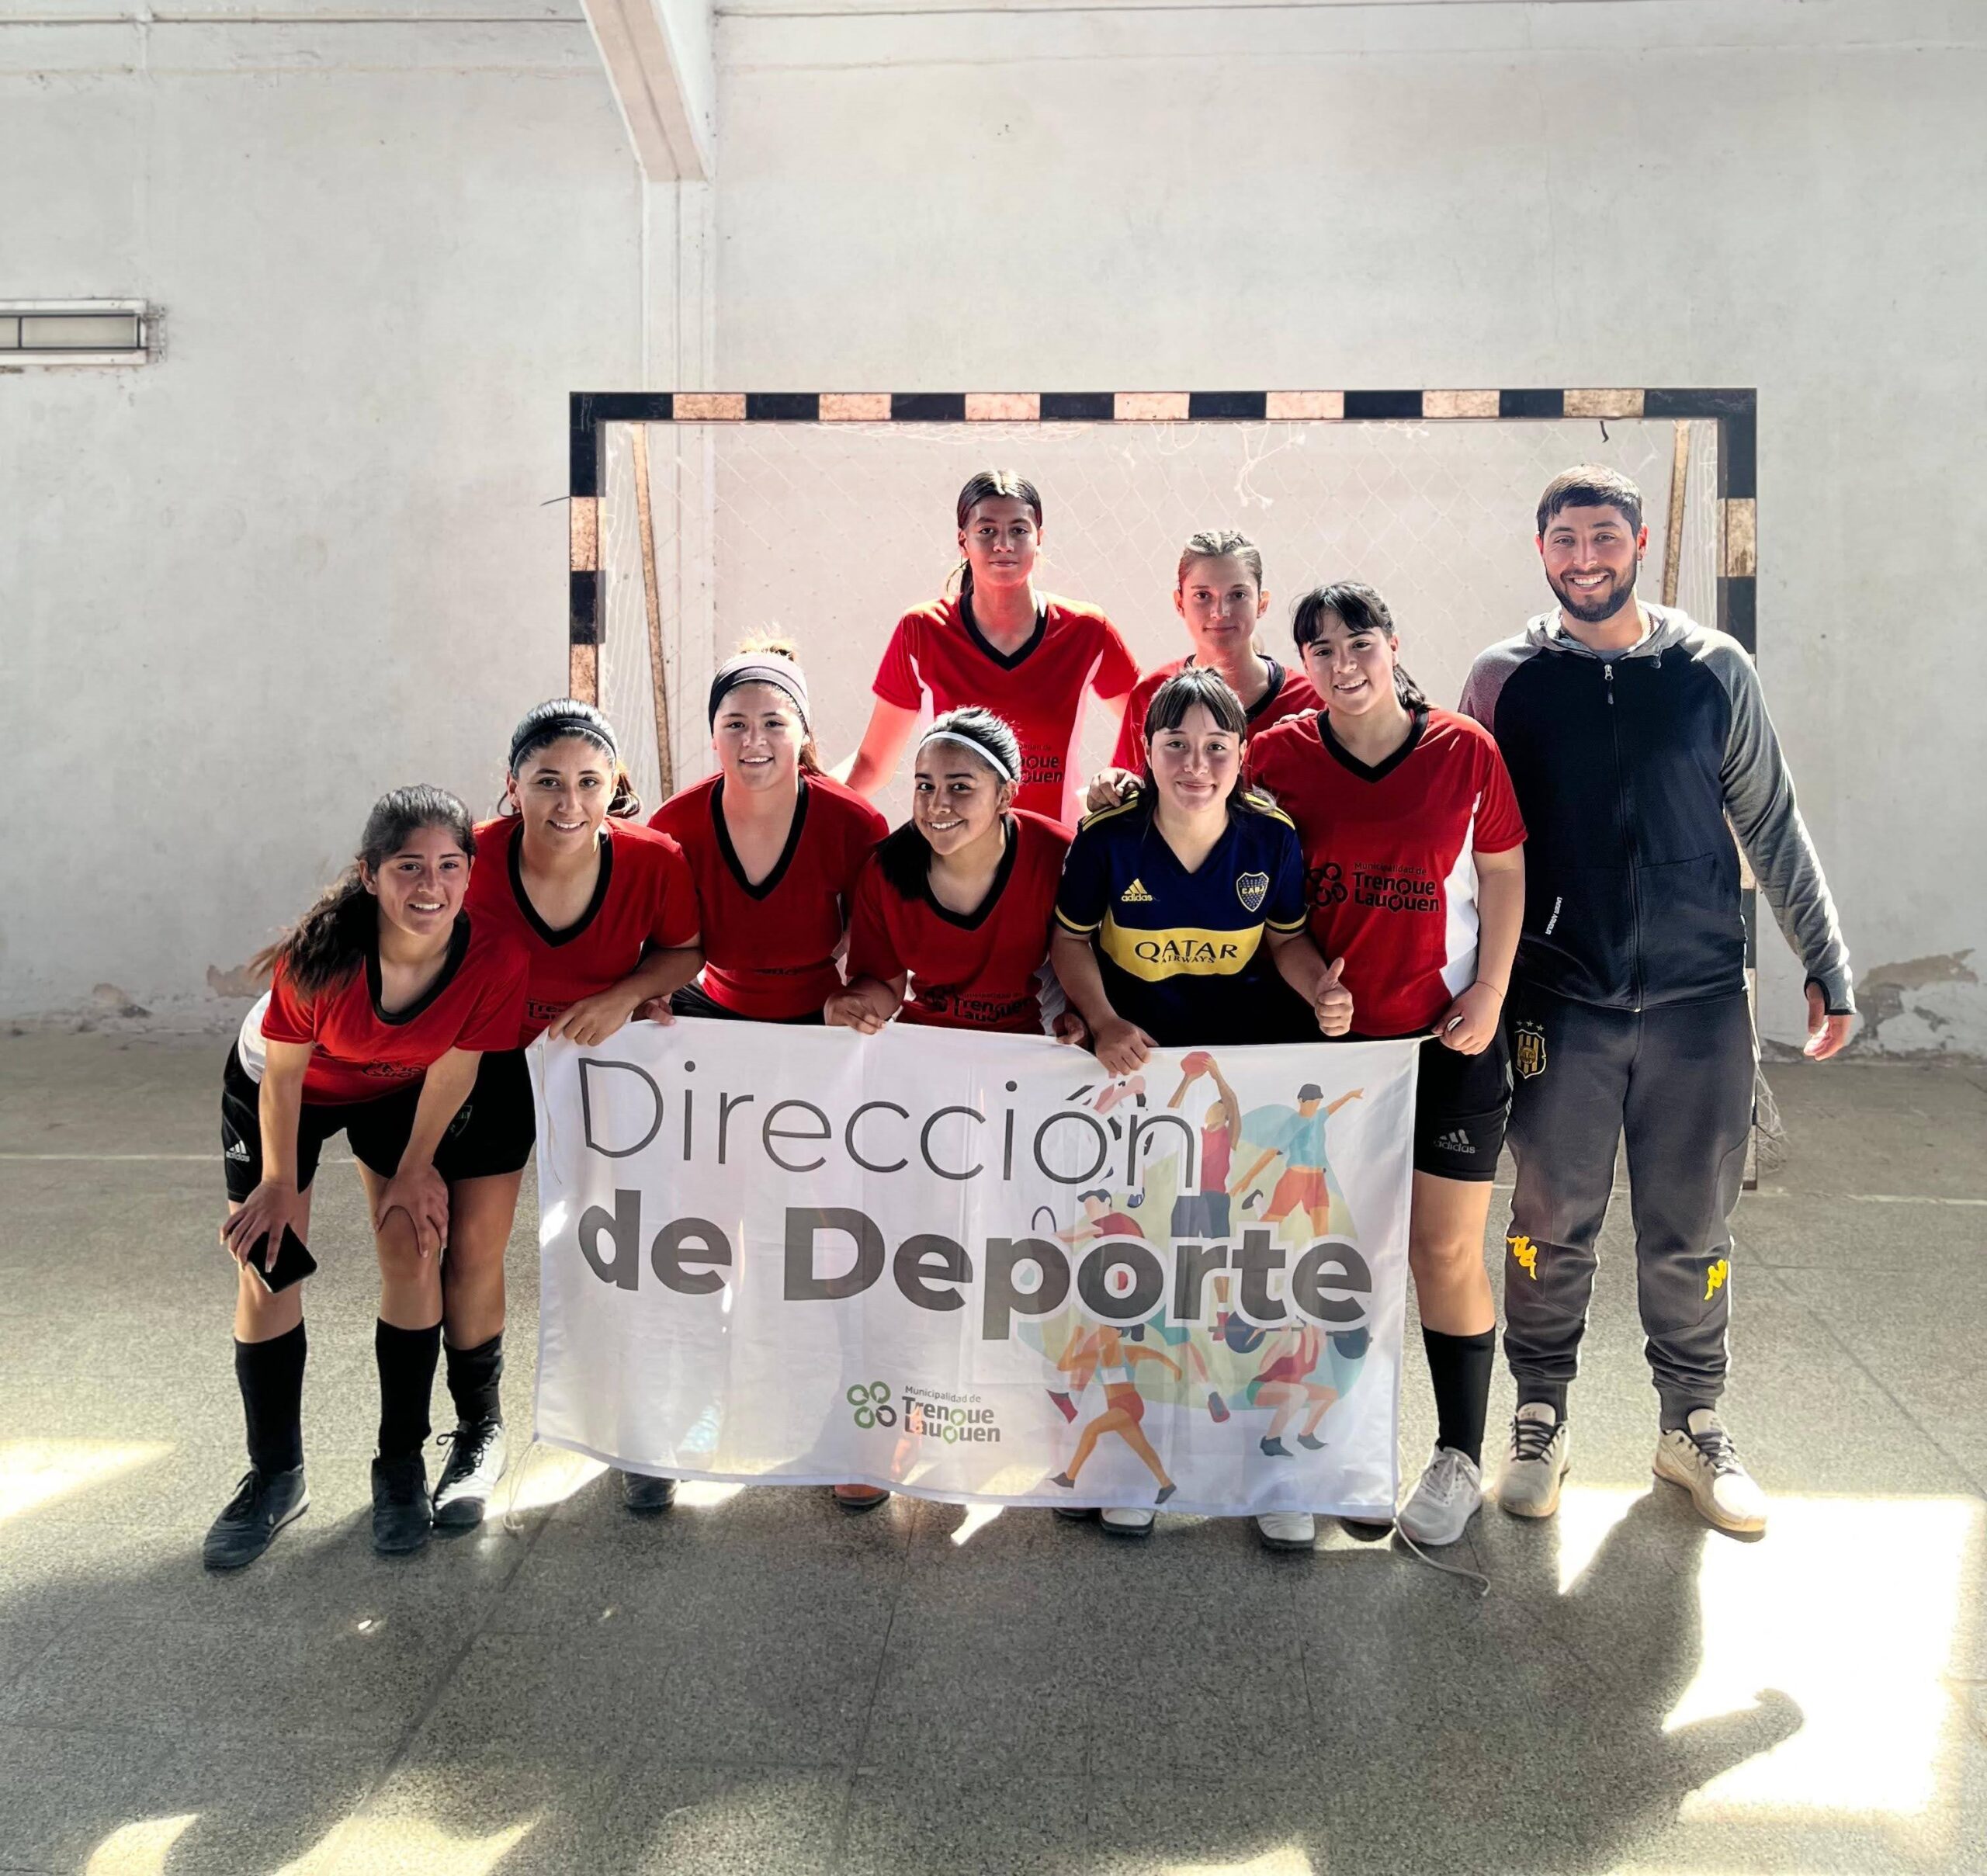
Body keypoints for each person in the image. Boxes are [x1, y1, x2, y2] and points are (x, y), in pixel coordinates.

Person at [1460, 465, 1854, 1536]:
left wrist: (1826, 959)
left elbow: (1772, 823)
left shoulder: (1710, 669)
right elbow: (1468, 844)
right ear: (1540, 550)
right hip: (1559, 1000)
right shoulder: (1504, 679)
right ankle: (1538, 1416)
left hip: (1695, 1002)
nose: (1585, 558)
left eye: (1604, 537)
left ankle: (1694, 1426)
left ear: (1638, 542)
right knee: (1549, 1222)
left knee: (1693, 1228)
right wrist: (1463, 989)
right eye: (1564, 541)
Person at [1050, 665, 1354, 1548]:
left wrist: (1321, 992)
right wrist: (1105, 1019)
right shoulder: (1108, 838)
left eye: (1216, 746)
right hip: (1138, 1089)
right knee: (1141, 1275)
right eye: (1175, 744)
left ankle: (1271, 1469)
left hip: (1240, 1094)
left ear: (1242, 754)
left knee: (1245, 1278)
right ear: (1144, 753)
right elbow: (1069, 941)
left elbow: (1290, 942)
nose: (1195, 762)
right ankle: (1131, 1470)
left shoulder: (1269, 839)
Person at [1250, 580, 1526, 1549]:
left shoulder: (1464, 750)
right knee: (1313, 1257)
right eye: (1318, 649)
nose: (1340, 663)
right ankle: (1306, 1446)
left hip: (1440, 1042)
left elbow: (1501, 872)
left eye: (1356, 642)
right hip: (1321, 1055)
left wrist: (1488, 992)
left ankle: (1456, 1452)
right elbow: (1258, 894)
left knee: (1441, 1250)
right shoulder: (1275, 756)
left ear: (1392, 643)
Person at [206, 788, 529, 1569]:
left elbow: (455, 1066)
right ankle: (276, 1475)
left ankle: (398, 1465)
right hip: (282, 1089)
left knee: (412, 1243)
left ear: (470, 873)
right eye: (408, 866)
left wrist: (415, 1170)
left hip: (396, 1086)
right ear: (370, 874)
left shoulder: (493, 957)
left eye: (450, 865)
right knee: (268, 1265)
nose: (430, 884)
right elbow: (283, 1079)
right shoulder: (322, 961)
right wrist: (279, 1183)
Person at [650, 641, 889, 1511]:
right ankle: (679, 1413)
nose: (754, 739)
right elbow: (656, 947)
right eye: (735, 724)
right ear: (712, 736)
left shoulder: (851, 823)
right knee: (700, 1236)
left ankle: (857, 1422)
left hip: (818, 1040)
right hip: (714, 1038)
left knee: (833, 1240)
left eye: (772, 722)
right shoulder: (675, 825)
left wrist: (866, 993)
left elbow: (886, 955)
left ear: (804, 733)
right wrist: (644, 1000)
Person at [463, 699, 702, 1524]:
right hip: (488, 1065)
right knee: (474, 1248)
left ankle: (635, 1431)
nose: (568, 802)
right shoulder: (468, 859)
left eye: (589, 782)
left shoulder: (652, 858)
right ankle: (474, 1432)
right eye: (548, 781)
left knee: (618, 1248)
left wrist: (627, 993)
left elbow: (686, 949)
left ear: (615, 786)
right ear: (512, 785)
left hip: (597, 1065)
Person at [841, 470, 1138, 824]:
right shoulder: (922, 630)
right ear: (962, 540)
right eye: (986, 531)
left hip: (1054, 857)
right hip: (949, 853)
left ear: (1039, 538)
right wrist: (809, 808)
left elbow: (1155, 726)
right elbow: (874, 764)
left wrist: (1114, 780)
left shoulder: (1086, 630)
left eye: (1018, 530)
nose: (1003, 544)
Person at [828, 708, 1073, 1038]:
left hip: (1025, 1045)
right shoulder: (886, 870)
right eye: (925, 786)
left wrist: (1079, 1019)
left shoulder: (1057, 855)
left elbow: (1086, 956)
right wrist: (851, 1006)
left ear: (1005, 795)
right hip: (926, 1044)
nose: (937, 805)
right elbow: (884, 984)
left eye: (960, 787)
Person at [1086, 528, 1319, 810]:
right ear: (1180, 602)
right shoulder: (1151, 695)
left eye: (1238, 595)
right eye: (1203, 596)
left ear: (1262, 602)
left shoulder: (1309, 700)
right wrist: (1113, 785)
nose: (1220, 611)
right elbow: (1131, 791)